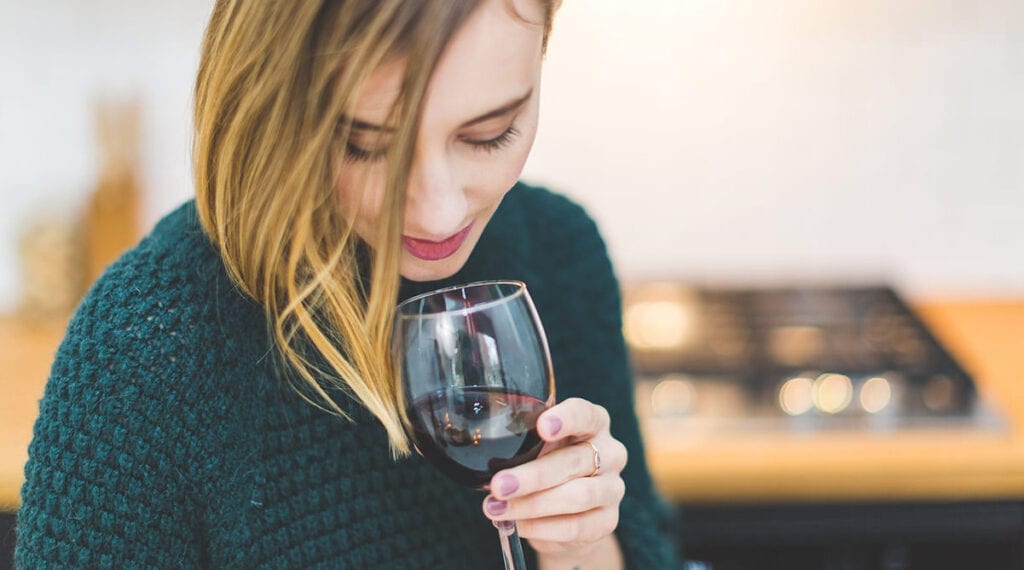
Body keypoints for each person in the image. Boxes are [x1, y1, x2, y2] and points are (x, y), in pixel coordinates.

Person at [17, 1, 682, 568]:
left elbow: (644, 547)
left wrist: (579, 543)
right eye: (365, 145)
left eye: (489, 134)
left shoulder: (559, 252)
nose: (437, 213)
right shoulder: (142, 347)